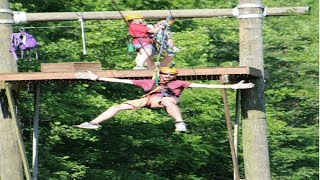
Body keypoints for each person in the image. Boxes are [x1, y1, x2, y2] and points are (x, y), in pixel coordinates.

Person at [73, 67, 255, 132]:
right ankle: (93, 123)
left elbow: (203, 86)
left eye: (171, 76)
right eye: (166, 75)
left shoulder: (179, 84)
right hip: (149, 99)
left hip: (166, 101)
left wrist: (231, 87)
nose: (168, 78)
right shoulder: (147, 82)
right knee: (117, 106)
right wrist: (96, 78)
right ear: (160, 74)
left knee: (167, 101)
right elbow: (122, 80)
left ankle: (180, 123)